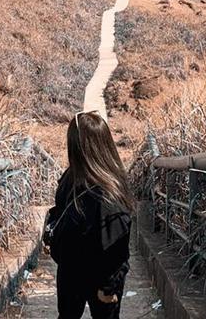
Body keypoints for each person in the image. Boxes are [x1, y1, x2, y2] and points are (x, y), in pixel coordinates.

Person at [43, 111, 135, 319]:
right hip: (73, 267)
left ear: (76, 146)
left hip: (95, 274)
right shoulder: (75, 177)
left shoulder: (105, 192)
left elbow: (116, 248)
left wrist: (109, 287)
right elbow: (60, 209)